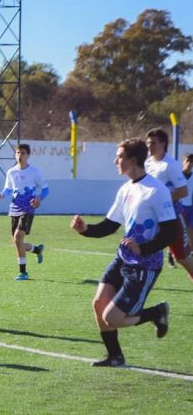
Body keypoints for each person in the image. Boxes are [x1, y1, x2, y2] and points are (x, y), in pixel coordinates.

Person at [70, 138, 171, 367]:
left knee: (112, 318)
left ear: (132, 160)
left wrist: (143, 248)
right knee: (98, 304)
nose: (115, 160)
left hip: (144, 266)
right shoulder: (126, 189)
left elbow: (170, 233)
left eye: (119, 156)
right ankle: (115, 356)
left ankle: (156, 312)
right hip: (123, 258)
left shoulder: (156, 191)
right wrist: (85, 230)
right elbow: (110, 226)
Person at [0, 144, 49, 281]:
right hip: (14, 208)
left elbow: (46, 189)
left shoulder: (35, 172)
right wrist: (1, 195)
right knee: (17, 242)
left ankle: (23, 272)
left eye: (23, 153)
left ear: (28, 155)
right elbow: (8, 189)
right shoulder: (11, 172)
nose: (20, 155)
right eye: (18, 153)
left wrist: (39, 198)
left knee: (18, 238)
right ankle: (36, 249)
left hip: (28, 209)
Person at [145, 128, 193, 282]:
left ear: (163, 143)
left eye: (153, 143)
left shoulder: (170, 164)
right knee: (141, 249)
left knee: (181, 257)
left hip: (171, 217)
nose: (149, 147)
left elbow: (183, 191)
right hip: (152, 217)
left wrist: (162, 200)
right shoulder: (147, 163)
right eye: (148, 143)